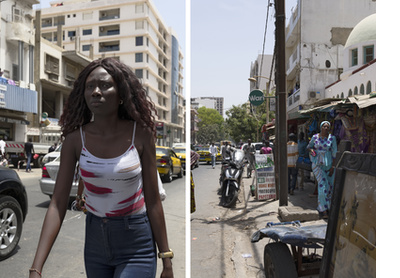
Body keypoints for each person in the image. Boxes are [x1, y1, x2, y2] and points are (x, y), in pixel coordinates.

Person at [30, 58, 173, 278]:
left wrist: (166, 259)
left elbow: (153, 201)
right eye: (90, 86)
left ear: (122, 95)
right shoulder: (75, 140)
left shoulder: (141, 134)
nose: (96, 91)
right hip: (95, 242)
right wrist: (36, 268)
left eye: (105, 85)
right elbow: (57, 204)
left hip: (137, 244)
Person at [307, 120, 337, 219]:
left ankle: (328, 207)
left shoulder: (332, 138)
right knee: (322, 185)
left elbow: (334, 154)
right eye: (324, 126)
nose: (326, 128)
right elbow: (309, 146)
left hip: (329, 165)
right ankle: (323, 209)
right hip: (317, 164)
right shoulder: (315, 137)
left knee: (330, 187)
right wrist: (312, 150)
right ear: (321, 127)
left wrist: (333, 167)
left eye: (327, 127)